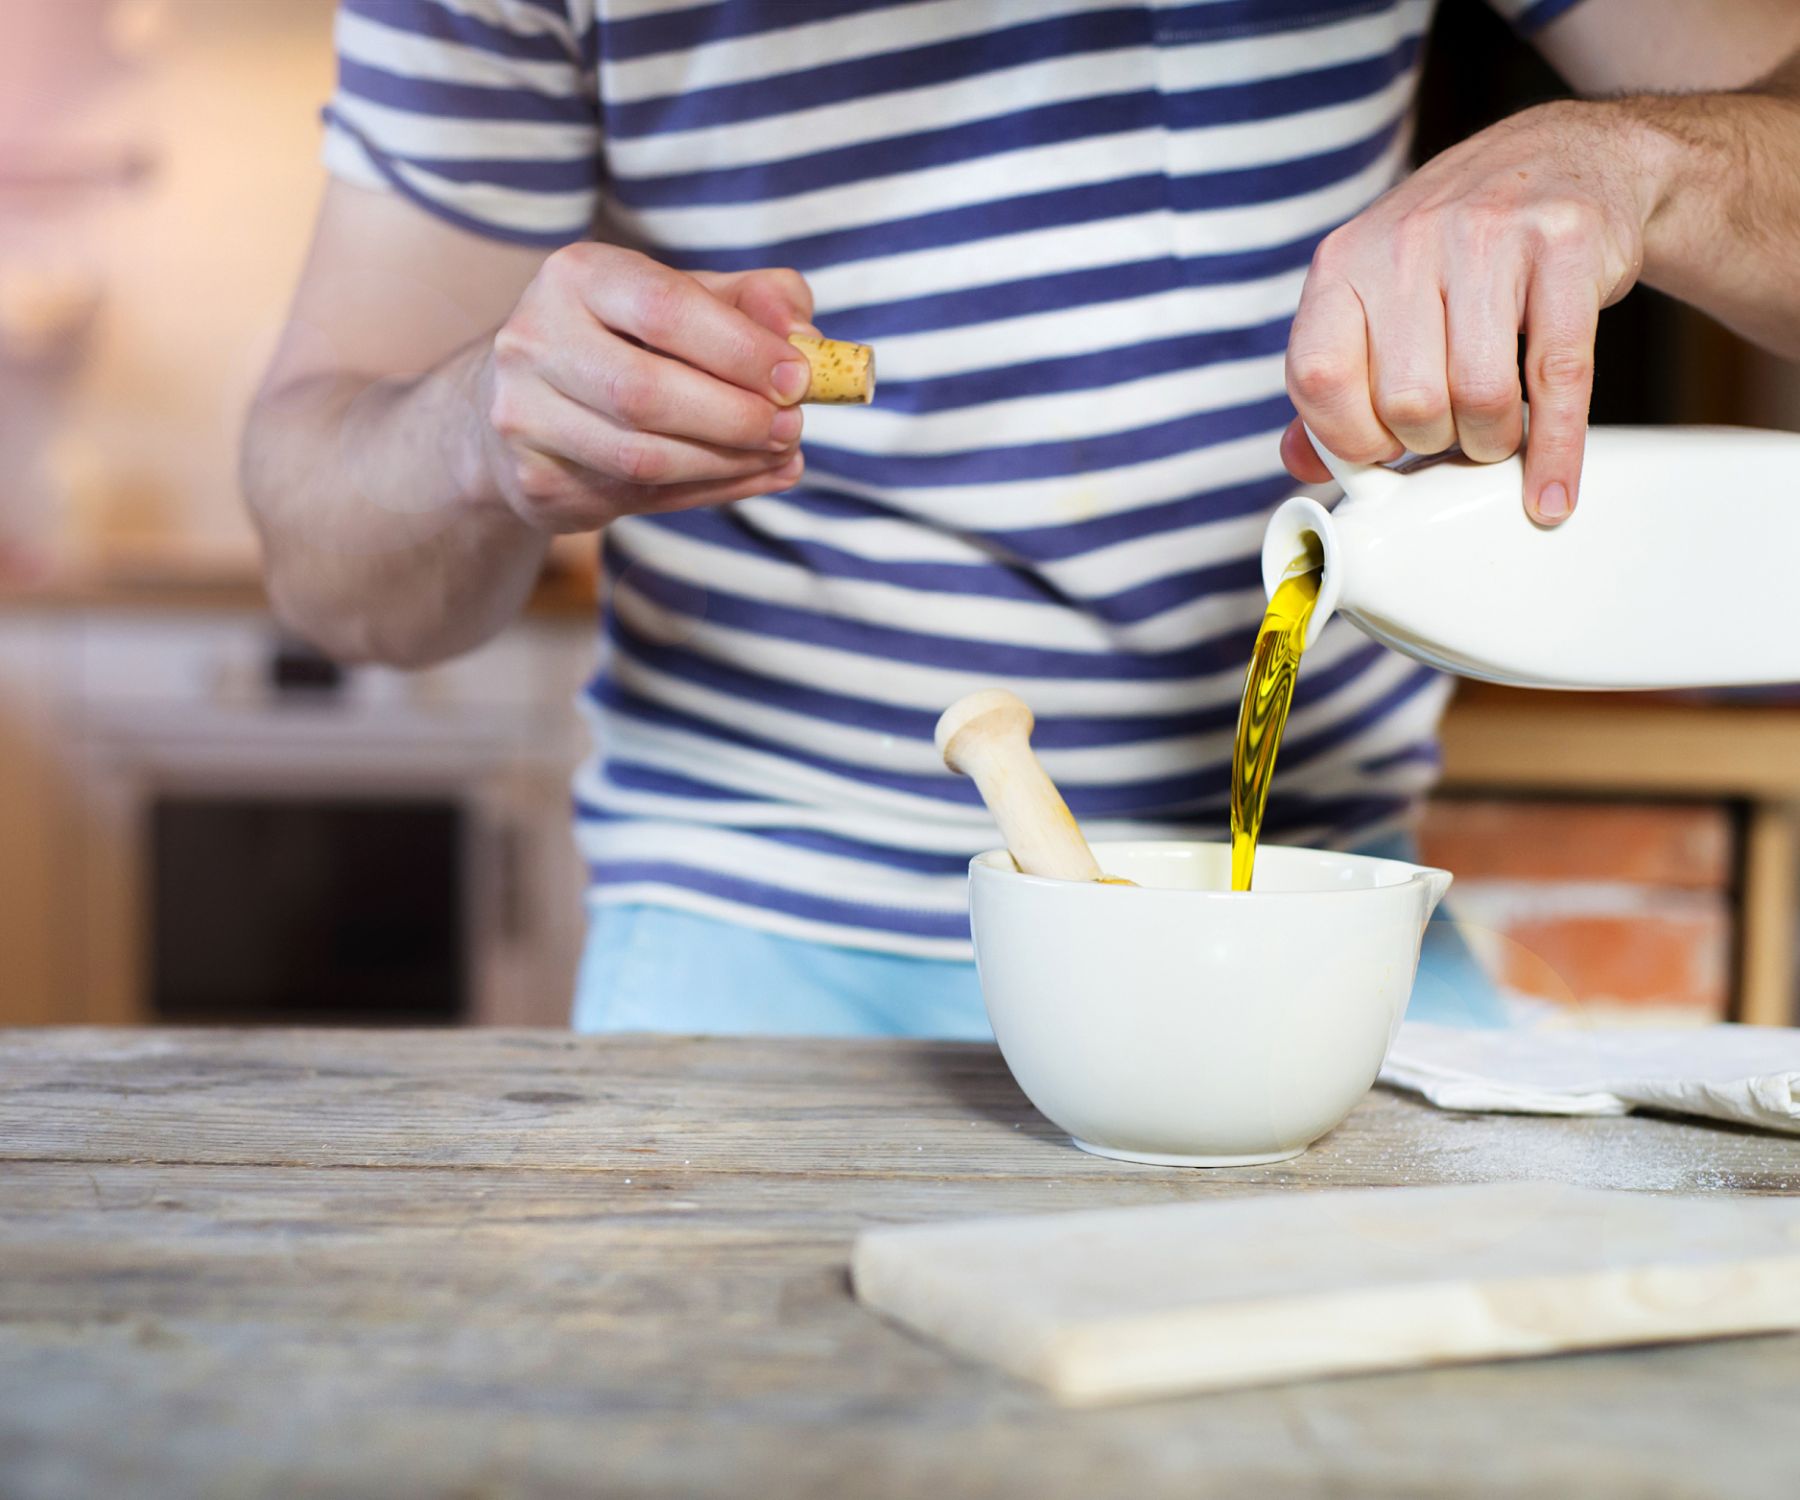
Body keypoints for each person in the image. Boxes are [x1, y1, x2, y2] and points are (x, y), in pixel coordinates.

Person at [244, 0, 1800, 1037]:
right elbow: (334, 569)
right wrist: (477, 431)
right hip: (763, 935)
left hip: (1303, 923)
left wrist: (1643, 159)